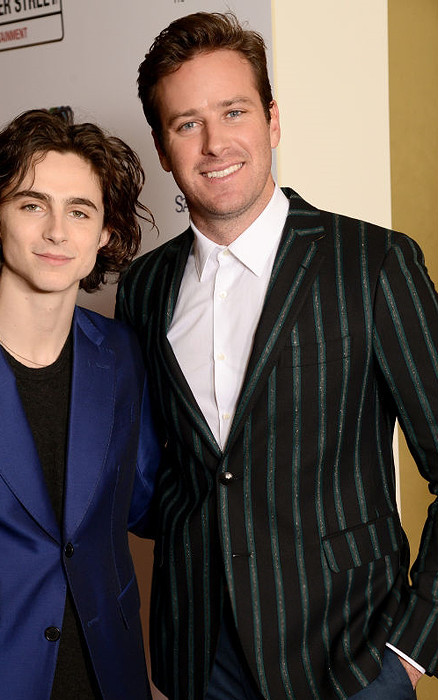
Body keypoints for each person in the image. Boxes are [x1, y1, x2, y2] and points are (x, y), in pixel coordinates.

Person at [115, 11, 438, 700]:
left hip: (349, 658)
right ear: (163, 147)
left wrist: (410, 650)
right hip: (200, 661)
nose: (214, 144)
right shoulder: (143, 287)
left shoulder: (373, 263)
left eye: (233, 112)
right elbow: (144, 471)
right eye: (187, 123)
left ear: (273, 120)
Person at [0, 107, 159, 700]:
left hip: (110, 678)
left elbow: (147, 505)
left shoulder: (122, 354)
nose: (57, 232)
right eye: (33, 205)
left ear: (105, 232)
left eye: (80, 211)